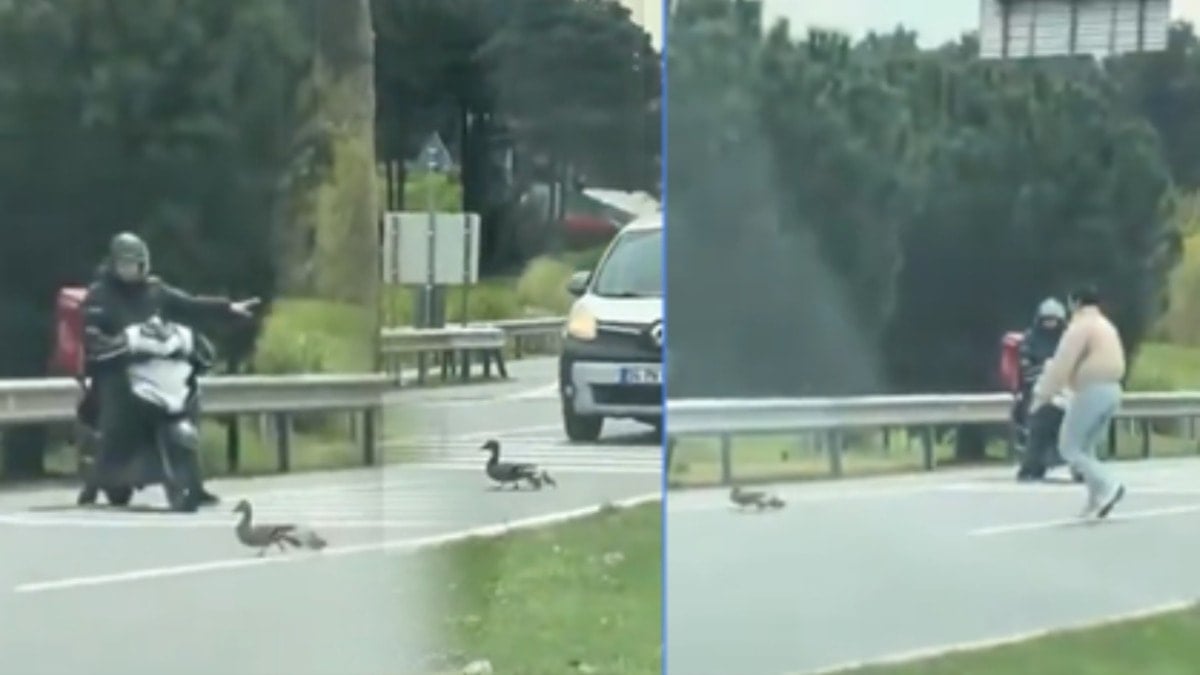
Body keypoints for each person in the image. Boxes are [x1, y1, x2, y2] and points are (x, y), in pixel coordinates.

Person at [78, 232, 260, 507]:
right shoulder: (100, 295)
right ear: (114, 264)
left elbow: (189, 304)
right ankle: (98, 479)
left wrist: (227, 309)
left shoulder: (156, 290)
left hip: (155, 366)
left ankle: (193, 484)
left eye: (137, 264)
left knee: (188, 398)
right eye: (126, 264)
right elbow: (93, 335)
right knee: (117, 407)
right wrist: (114, 344)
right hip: (115, 366)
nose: (132, 270)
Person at [1030, 283, 1126, 519]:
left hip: (1091, 389)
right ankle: (1095, 500)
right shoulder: (1106, 326)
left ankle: (1109, 485)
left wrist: (1042, 395)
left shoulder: (1080, 327)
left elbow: (1062, 364)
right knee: (1086, 448)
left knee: (1069, 446)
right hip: (1113, 389)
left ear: (1074, 303)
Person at [1014, 298, 1068, 481]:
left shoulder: (1068, 339)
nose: (1050, 325)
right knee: (1032, 420)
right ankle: (1031, 464)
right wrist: (1038, 371)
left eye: (1054, 321)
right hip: (1037, 388)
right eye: (1046, 320)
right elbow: (1024, 363)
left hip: (1065, 389)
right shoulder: (1031, 338)